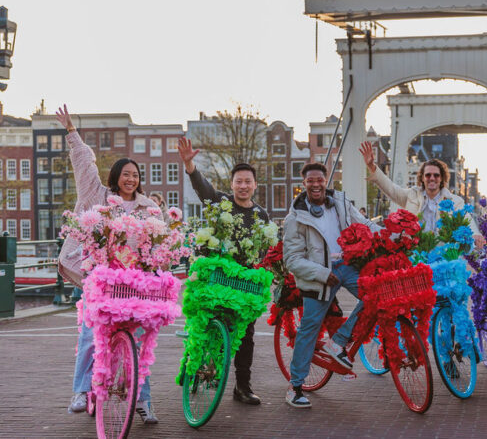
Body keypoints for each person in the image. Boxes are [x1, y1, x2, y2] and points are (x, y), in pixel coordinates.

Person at [56, 105, 162, 424]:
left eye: (135, 175)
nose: (131, 179)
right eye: (125, 174)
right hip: (102, 280)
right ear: (116, 177)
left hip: (132, 283)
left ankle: (142, 400)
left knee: (139, 339)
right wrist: (72, 132)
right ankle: (80, 390)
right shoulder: (97, 196)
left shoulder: (147, 207)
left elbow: (156, 244)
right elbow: (85, 165)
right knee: (91, 333)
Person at [178, 136, 270, 405]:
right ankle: (193, 366)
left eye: (247, 181)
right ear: (232, 185)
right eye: (238, 181)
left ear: (254, 185)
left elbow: (264, 248)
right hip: (217, 277)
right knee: (205, 323)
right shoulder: (221, 203)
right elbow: (203, 188)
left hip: (243, 283)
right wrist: (190, 165)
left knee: (246, 333)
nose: (243, 186)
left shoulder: (262, 215)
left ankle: (242, 386)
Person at [282, 162, 380, 408]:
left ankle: (338, 341)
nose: (315, 184)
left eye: (320, 180)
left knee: (376, 295)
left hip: (347, 266)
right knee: (310, 326)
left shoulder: (341, 204)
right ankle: (295, 386)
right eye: (310, 181)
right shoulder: (295, 217)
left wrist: (394, 233)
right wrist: (323, 274)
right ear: (303, 184)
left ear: (327, 181)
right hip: (320, 275)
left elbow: (365, 225)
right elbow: (292, 259)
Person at [358, 141, 483, 245]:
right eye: (428, 175)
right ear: (422, 178)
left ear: (442, 178)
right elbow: (391, 189)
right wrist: (372, 166)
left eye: (436, 175)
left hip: (442, 255)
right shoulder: (411, 195)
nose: (432, 178)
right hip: (416, 253)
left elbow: (466, 218)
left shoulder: (455, 201)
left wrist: (476, 234)